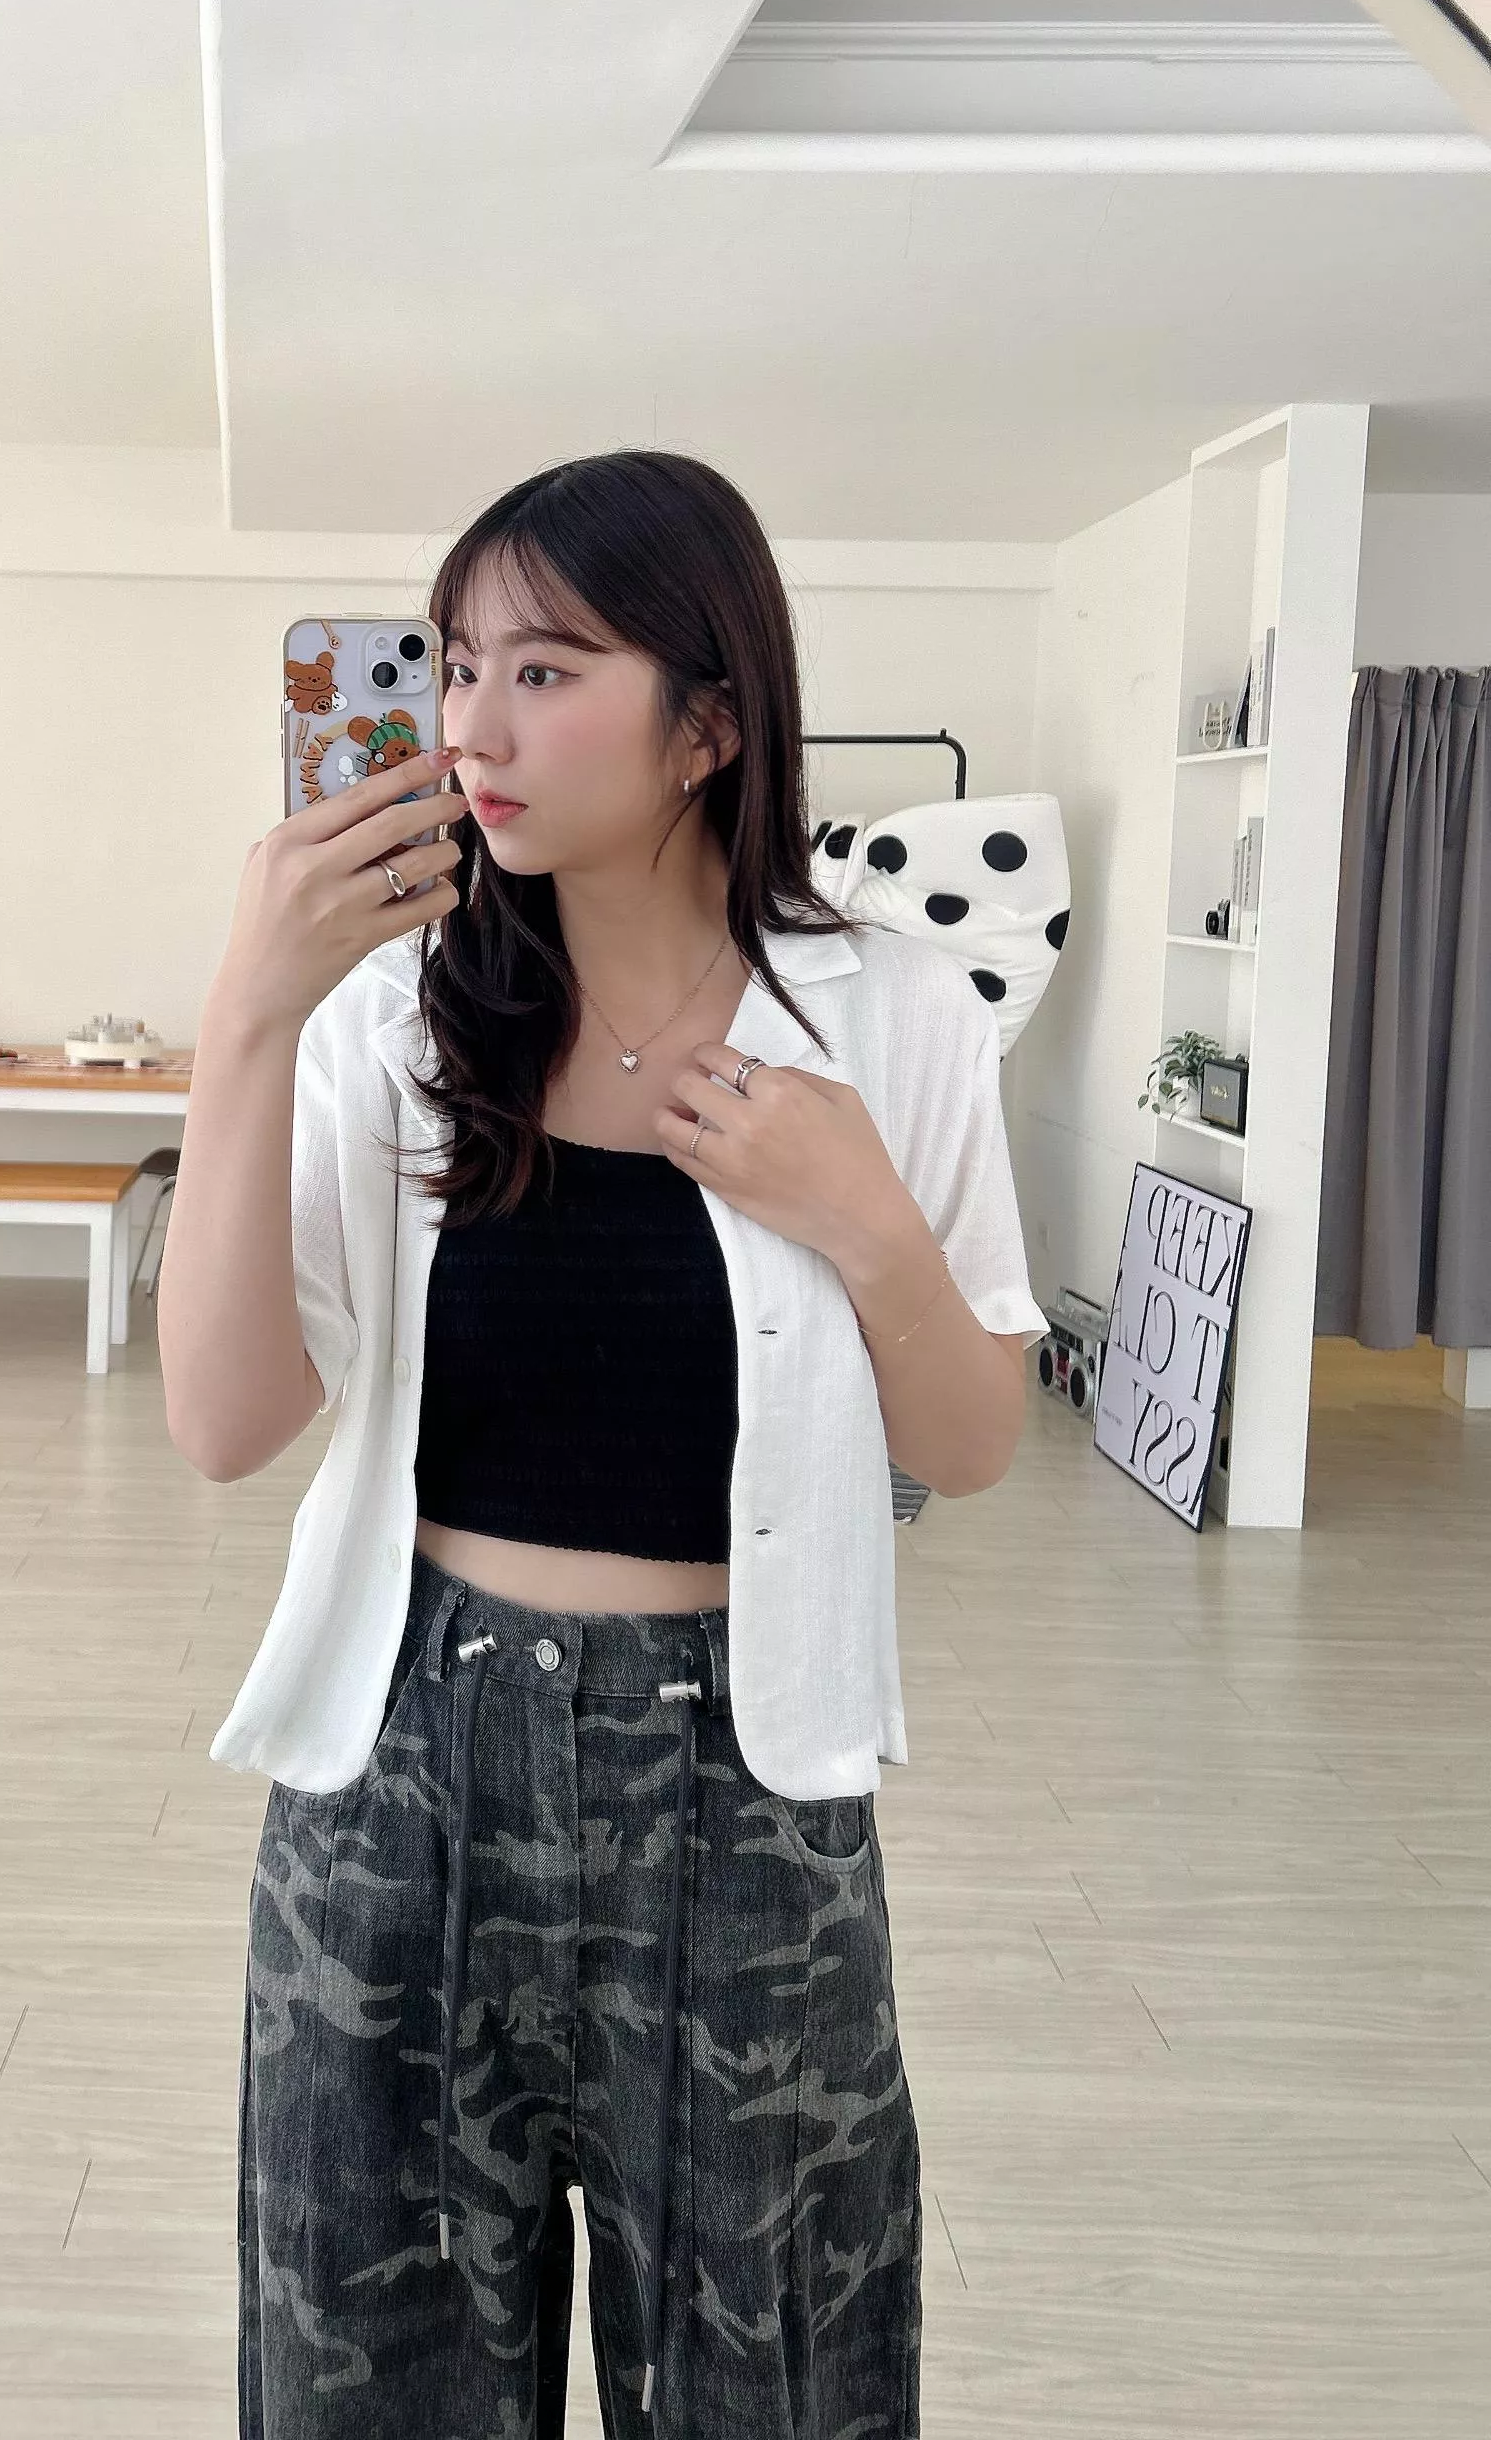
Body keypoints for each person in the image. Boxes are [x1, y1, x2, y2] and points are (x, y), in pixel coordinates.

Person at [157, 449, 1048, 2438]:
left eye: (546, 670)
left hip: (750, 1799)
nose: (473, 725)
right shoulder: (394, 1018)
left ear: (708, 724)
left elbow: (977, 1439)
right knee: (369, 2387)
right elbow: (222, 1423)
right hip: (402, 1779)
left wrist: (866, 1221)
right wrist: (249, 1018)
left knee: (772, 2381)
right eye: (457, 663)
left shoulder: (896, 1019)